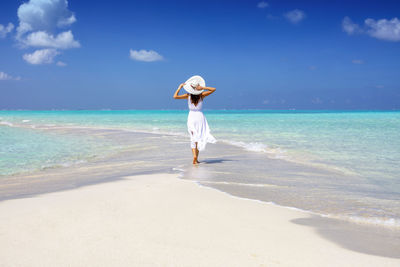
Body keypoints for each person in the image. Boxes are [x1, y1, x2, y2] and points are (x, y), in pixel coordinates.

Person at [173, 81, 217, 164]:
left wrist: (179, 87)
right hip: (200, 117)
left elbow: (175, 96)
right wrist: (203, 88)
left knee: (193, 138)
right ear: (197, 88)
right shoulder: (202, 95)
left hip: (192, 117)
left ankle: (195, 157)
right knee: (199, 137)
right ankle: (196, 159)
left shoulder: (187, 96)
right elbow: (213, 89)